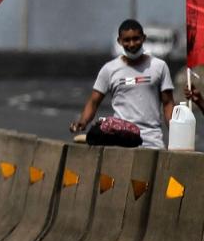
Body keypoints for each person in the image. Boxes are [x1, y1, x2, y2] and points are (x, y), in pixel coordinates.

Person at [71, 18, 175, 149]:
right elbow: (94, 101)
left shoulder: (159, 66)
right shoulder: (109, 69)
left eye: (136, 38)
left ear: (143, 38)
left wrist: (177, 131)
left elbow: (168, 103)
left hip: (152, 143)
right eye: (126, 40)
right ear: (119, 41)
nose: (131, 44)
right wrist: (83, 121)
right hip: (121, 142)